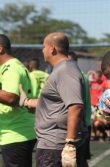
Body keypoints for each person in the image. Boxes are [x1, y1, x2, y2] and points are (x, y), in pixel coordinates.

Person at [27, 32, 86, 167]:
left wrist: (69, 144)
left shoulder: (65, 70)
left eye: (44, 47)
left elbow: (75, 106)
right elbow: (58, 103)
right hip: (51, 145)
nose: (42, 50)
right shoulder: (61, 69)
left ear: (52, 48)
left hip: (55, 147)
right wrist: (27, 102)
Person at [0, 34, 36, 167]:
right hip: (15, 132)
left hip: (16, 133)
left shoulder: (11, 67)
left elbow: (10, 97)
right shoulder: (10, 66)